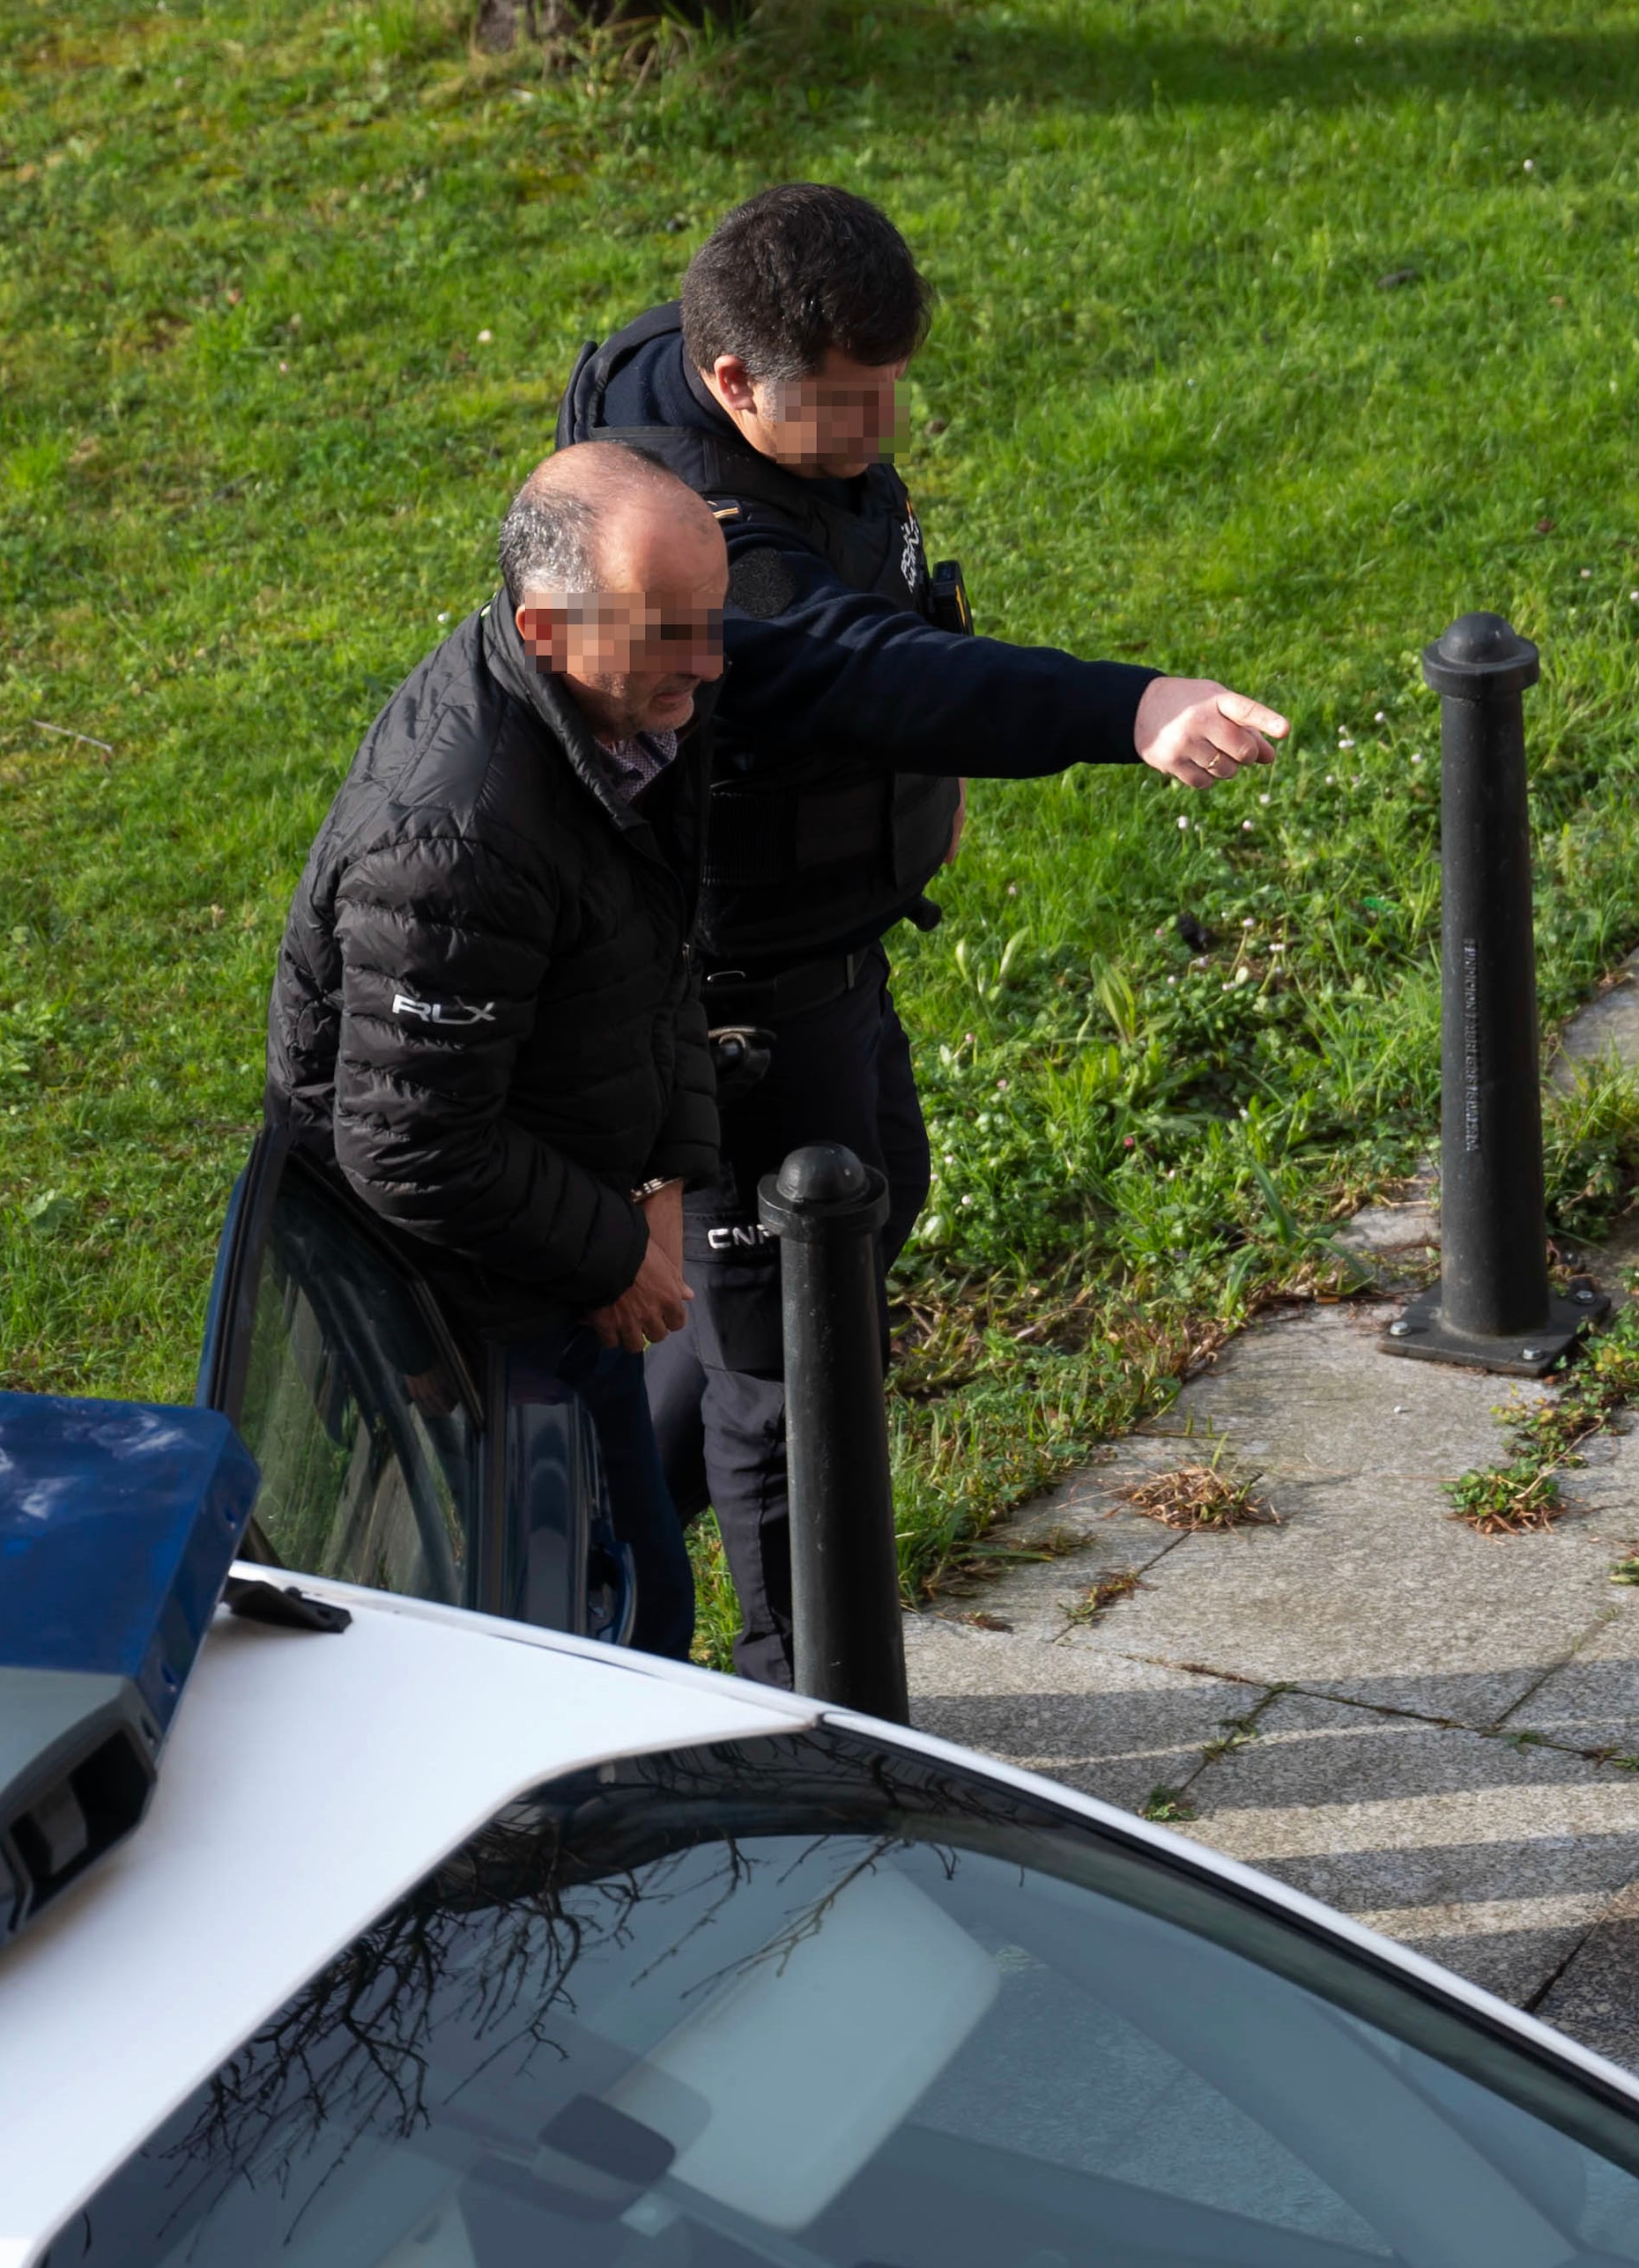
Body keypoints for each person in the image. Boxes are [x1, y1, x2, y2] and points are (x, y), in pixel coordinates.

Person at [564, 180, 1289, 1686]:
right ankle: (802, 1704)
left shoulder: (765, 385)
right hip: (739, 991)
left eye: (898, 383)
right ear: (728, 380)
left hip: (832, 946)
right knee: (788, 1359)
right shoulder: (704, 556)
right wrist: (1127, 705)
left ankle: (580, 1525)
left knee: (872, 1207)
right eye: (851, 399)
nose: (886, 421)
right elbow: (872, 663)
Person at [263, 443, 725, 1664]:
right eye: (672, 632)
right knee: (601, 1633)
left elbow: (655, 949)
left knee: (626, 1598)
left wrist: (662, 1187)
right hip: (471, 1293)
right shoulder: (458, 838)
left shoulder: (624, 717)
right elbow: (409, 1143)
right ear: (543, 629)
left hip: (563, 1240)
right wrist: (619, 1248)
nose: (710, 664)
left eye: (713, 623)